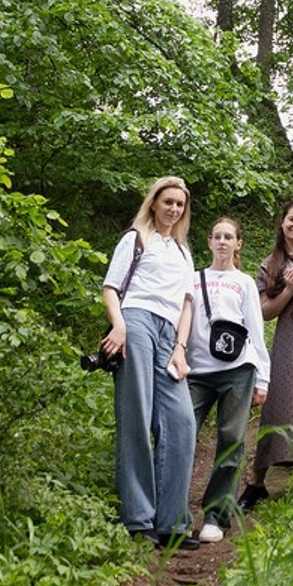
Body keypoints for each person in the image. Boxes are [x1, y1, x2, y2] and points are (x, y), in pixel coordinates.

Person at [100, 175, 198, 549]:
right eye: (168, 201)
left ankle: (172, 521)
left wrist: (181, 347)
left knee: (182, 422)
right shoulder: (136, 239)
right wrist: (120, 325)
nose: (174, 209)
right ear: (154, 203)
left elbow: (187, 304)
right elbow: (111, 288)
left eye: (180, 204)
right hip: (137, 323)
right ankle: (139, 519)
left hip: (169, 336)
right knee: (137, 418)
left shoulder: (183, 251)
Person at [185, 218, 270, 542]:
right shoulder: (192, 280)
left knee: (231, 437)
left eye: (229, 237)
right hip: (197, 371)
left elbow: (255, 330)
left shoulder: (245, 283)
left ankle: (216, 516)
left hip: (238, 369)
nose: (222, 242)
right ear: (209, 242)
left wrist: (263, 377)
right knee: (182, 434)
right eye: (217, 236)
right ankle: (173, 513)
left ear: (238, 244)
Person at [239, 199, 293, 511]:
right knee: (281, 405)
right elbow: (263, 312)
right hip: (289, 338)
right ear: (282, 222)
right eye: (292, 220)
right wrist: (288, 289)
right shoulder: (270, 263)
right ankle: (256, 481)